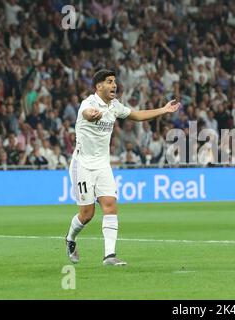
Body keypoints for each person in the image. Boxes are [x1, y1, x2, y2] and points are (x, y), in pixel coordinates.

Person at [65, 69, 180, 266]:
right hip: (82, 165)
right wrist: (93, 115)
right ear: (99, 86)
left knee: (110, 205)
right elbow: (87, 114)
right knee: (87, 214)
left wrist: (163, 110)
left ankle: (109, 256)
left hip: (103, 165)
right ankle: (70, 239)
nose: (114, 85)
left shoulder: (115, 106)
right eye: (109, 82)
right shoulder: (89, 103)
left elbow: (136, 115)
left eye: (114, 82)